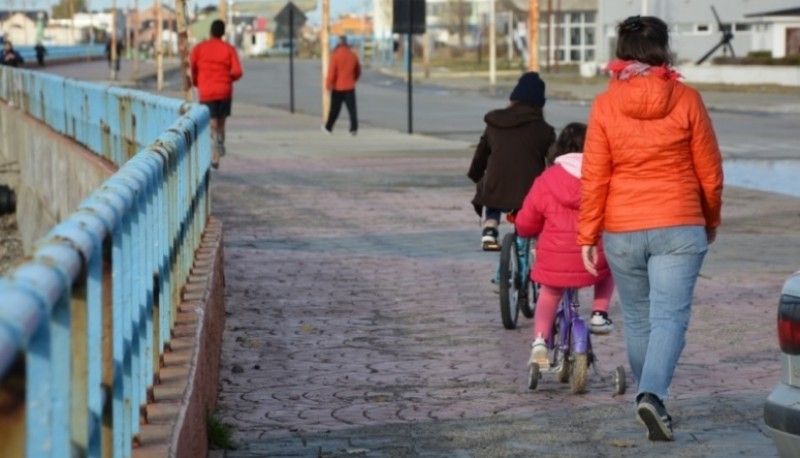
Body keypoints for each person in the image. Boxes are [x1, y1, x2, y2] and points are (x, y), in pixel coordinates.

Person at [579, 15, 723, 442]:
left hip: (622, 227)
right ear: (664, 48)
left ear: (622, 50)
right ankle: (652, 396)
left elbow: (595, 175)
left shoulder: (605, 105)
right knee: (669, 317)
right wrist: (710, 219)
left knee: (640, 319)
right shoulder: (687, 99)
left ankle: (649, 396)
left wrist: (587, 233)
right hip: (679, 223)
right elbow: (710, 173)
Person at [514, 123, 616, 369]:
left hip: (555, 259)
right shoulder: (604, 176)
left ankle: (539, 343)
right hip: (592, 255)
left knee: (550, 293)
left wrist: (525, 230)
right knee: (611, 266)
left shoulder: (547, 179)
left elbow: (527, 222)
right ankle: (599, 313)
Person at [466, 71, 555, 251]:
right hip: (528, 188)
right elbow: (553, 161)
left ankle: (490, 229)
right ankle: (528, 239)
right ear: (539, 105)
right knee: (528, 205)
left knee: (491, 186)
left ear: (512, 99)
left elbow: (481, 154)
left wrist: (476, 175)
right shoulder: (545, 130)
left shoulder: (494, 122)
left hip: (496, 185)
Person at [190, 19, 243, 169]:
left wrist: (197, 82)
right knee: (221, 123)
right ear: (223, 33)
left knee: (211, 123)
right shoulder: (229, 49)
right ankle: (218, 152)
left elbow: (191, 68)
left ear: (211, 32)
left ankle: (214, 150)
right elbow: (238, 71)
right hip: (224, 91)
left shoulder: (199, 48)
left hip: (207, 91)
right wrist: (228, 79)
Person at [323, 35, 361, 136]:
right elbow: (358, 71)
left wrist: (328, 85)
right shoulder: (353, 55)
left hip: (338, 87)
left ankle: (328, 127)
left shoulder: (336, 55)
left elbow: (332, 72)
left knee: (334, 110)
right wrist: (353, 79)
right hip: (349, 87)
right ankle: (353, 128)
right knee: (352, 110)